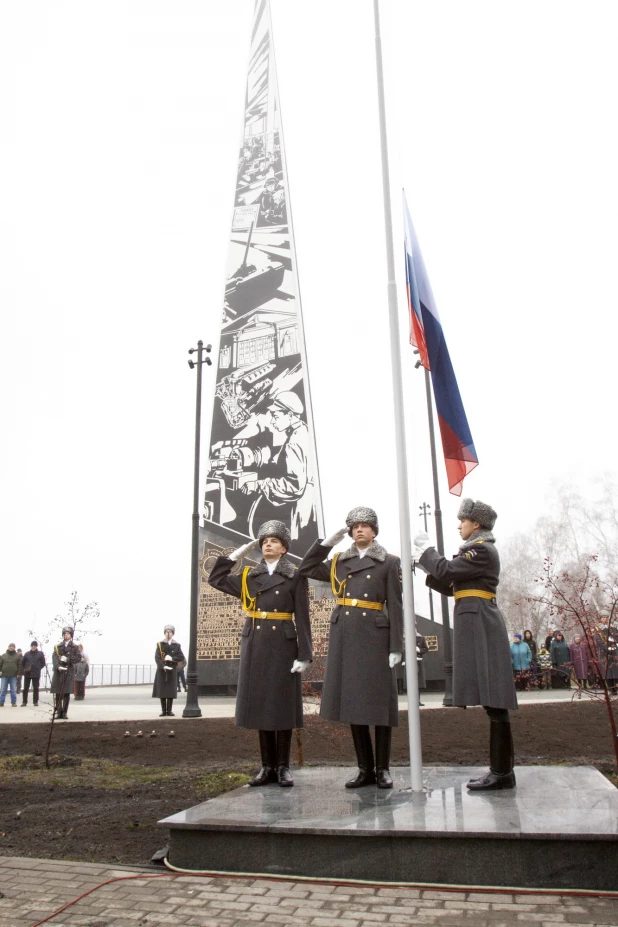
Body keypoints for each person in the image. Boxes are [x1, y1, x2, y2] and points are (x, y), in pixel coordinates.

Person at [414, 498, 517, 791]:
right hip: (476, 621)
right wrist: (426, 566)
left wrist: (426, 552)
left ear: (477, 524)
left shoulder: (480, 550)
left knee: (494, 700)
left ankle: (501, 773)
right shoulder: (475, 552)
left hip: (480, 622)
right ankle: (501, 771)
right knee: (492, 701)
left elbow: (447, 571)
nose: (459, 525)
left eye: (463, 520)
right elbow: (450, 584)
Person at [298, 506, 403, 789]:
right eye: (354, 526)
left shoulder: (389, 562)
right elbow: (305, 568)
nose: (359, 529)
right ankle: (364, 768)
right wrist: (325, 545)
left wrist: (396, 645)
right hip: (346, 634)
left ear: (374, 531)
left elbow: (395, 605)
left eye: (365, 525)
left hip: (375, 635)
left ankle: (383, 769)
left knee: (379, 704)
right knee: (354, 704)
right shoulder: (338, 562)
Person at [208, 520, 312, 787]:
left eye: (274, 541)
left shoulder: (295, 576)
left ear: (284, 549)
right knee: (261, 706)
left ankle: (283, 767)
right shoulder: (248, 577)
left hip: (283, 645)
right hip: (255, 643)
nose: (268, 544)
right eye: (264, 541)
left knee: (282, 706)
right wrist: (234, 556)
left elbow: (303, 618)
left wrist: (304, 654)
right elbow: (216, 579)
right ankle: (266, 767)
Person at [152, 625, 185, 717]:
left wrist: (172, 659)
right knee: (162, 690)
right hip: (162, 670)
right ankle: (163, 711)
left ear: (173, 633)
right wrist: (162, 666)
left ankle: (169, 710)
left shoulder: (177, 645)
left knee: (170, 691)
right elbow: (157, 657)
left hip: (172, 670)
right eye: (167, 632)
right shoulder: (160, 644)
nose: (168, 633)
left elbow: (181, 657)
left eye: (170, 632)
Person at [50, 627, 81, 720]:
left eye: (68, 633)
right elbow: (54, 657)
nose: (66, 635)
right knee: (58, 693)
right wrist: (57, 666)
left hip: (68, 671)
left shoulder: (75, 647)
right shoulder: (57, 646)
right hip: (59, 671)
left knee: (66, 693)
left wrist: (68, 659)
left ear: (71, 635)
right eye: (65, 633)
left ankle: (64, 712)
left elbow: (78, 658)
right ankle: (58, 712)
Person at [21, 641, 46, 706]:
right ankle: (24, 702)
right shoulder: (27, 654)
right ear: (31, 646)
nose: (33, 647)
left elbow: (43, 663)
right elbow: (23, 663)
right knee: (25, 688)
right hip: (27, 673)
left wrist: (38, 668)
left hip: (36, 673)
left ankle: (35, 702)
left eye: (34, 645)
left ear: (36, 646)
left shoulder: (40, 653)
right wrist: (26, 668)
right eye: (32, 645)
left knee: (36, 688)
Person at [0, 643, 22, 707]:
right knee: (3, 689)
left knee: (13, 689)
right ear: (8, 647)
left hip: (13, 675)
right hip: (4, 675)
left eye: (12, 647)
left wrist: (18, 673)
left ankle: (13, 702)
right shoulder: (3, 655)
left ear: (14, 648)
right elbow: (0, 664)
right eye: (10, 646)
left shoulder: (17, 656)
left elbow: (19, 666)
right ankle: (1, 702)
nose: (11, 648)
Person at [416, 633, 429, 706]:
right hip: (408, 662)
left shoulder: (421, 638)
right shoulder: (405, 637)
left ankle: (417, 700)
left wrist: (419, 650)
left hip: (418, 662)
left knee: (417, 683)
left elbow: (426, 649)